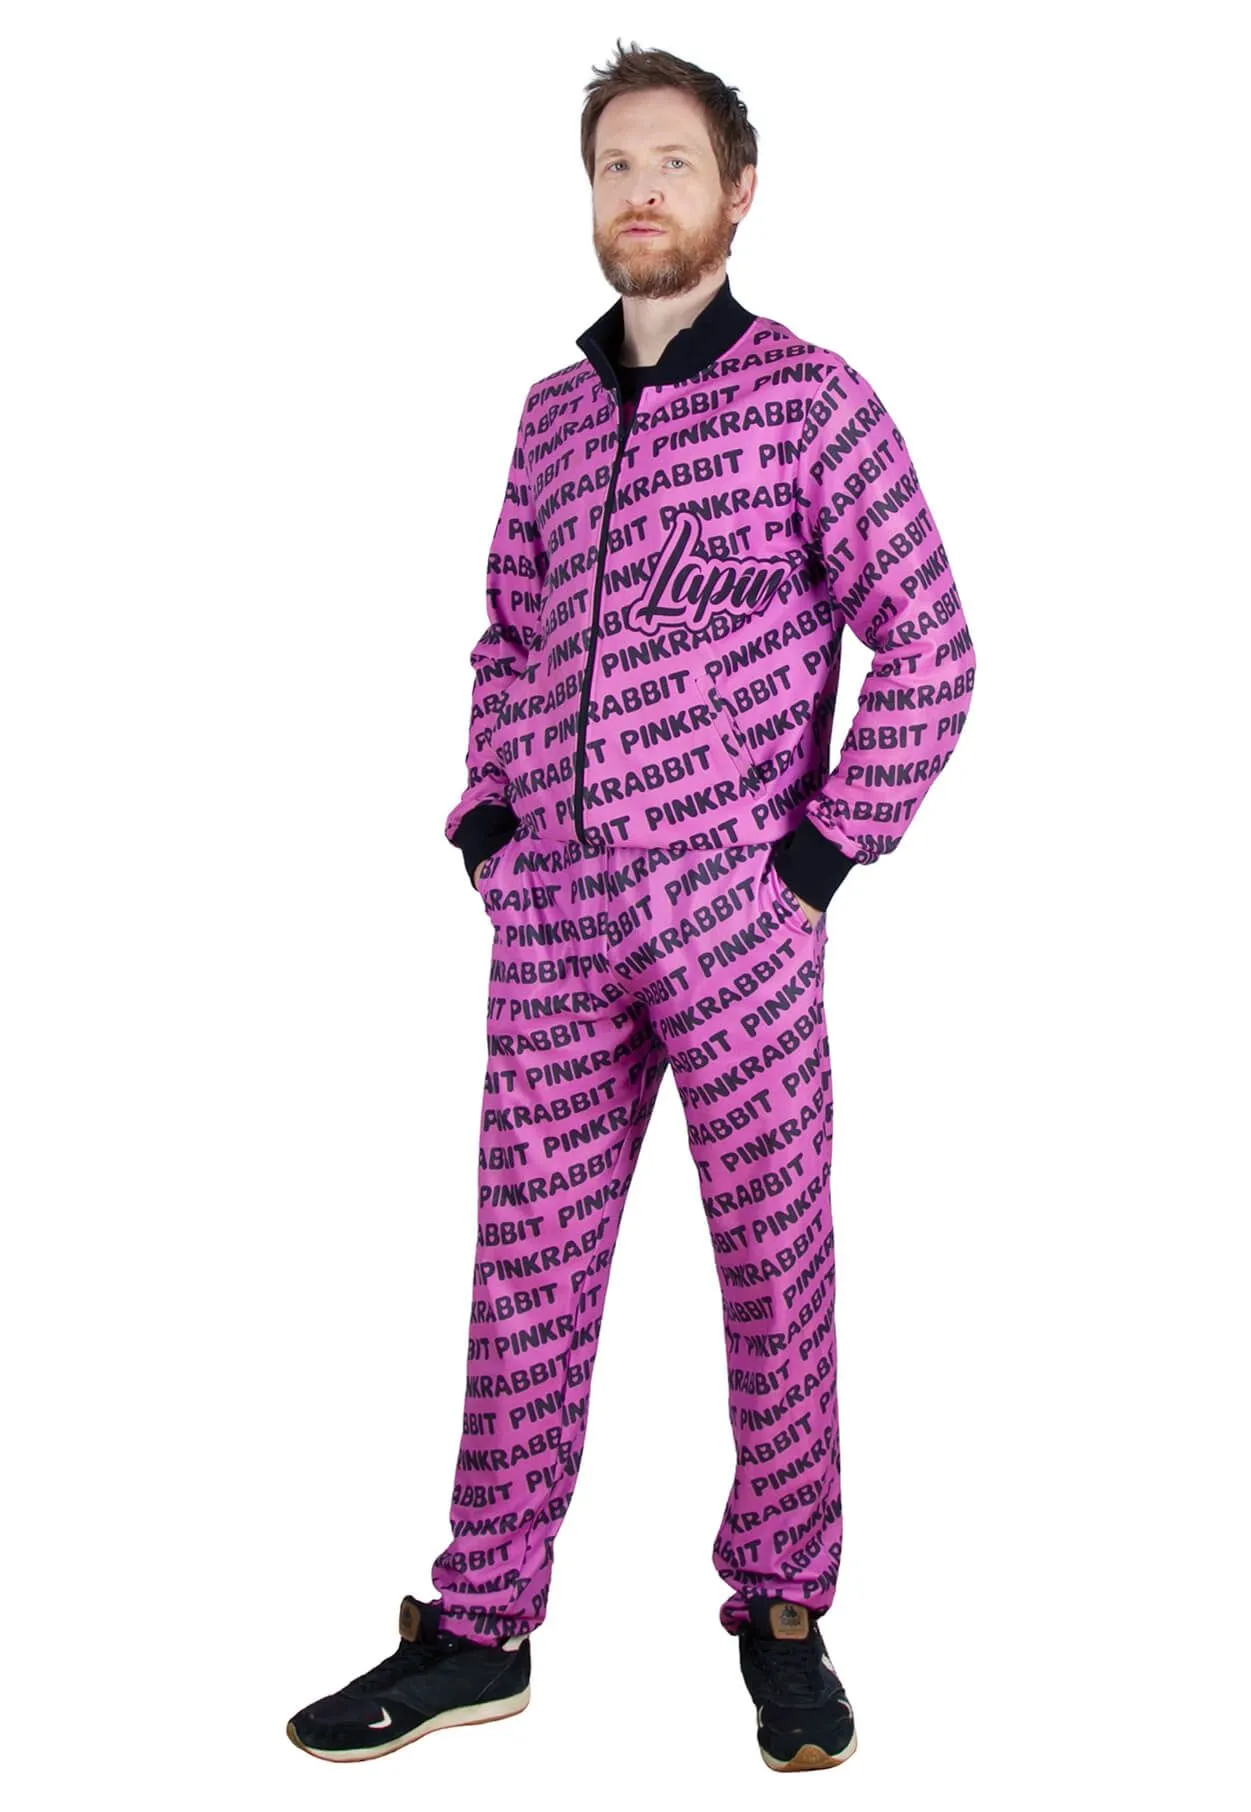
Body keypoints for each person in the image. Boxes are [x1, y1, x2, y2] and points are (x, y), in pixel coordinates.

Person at [287, 37, 976, 1775]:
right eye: (614, 165)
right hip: (554, 923)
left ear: (737, 194)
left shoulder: (814, 402)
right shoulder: (548, 413)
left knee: (773, 1262)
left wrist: (817, 858)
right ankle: (480, 1623)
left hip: (737, 918)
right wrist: (490, 826)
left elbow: (931, 644)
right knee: (523, 1268)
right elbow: (506, 636)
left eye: (672, 162)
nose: (641, 190)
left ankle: (783, 1612)